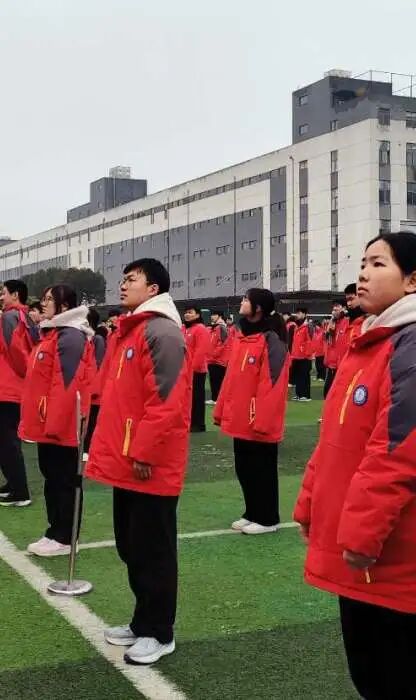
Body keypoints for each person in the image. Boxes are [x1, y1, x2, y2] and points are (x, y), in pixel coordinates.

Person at [294, 231, 416, 700]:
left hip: (392, 550)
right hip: (362, 544)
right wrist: (311, 502)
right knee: (369, 672)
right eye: (363, 262)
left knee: (392, 675)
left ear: (411, 281)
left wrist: (362, 534)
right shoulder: (369, 342)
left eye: (378, 264)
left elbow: (397, 452)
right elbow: (334, 439)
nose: (363, 273)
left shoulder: (407, 346)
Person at [85, 258, 192, 665]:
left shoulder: (162, 332)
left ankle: (160, 632)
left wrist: (146, 451)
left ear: (154, 289)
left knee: (154, 551)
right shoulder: (131, 330)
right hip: (128, 460)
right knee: (132, 546)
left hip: (149, 463)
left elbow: (167, 401)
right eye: (123, 278)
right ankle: (142, 620)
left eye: (132, 279)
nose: (123, 284)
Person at [19, 285, 93, 556]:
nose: (44, 303)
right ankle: (55, 530)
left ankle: (65, 536)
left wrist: (54, 425)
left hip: (61, 427)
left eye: (50, 299)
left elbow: (66, 384)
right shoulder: (52, 334)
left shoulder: (70, 336)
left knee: (64, 479)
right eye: (45, 298)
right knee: (53, 477)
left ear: (64, 306)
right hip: (48, 424)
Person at [214, 288, 289, 535]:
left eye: (246, 299)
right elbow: (231, 377)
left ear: (258, 307)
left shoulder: (272, 339)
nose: (242, 302)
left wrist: (263, 420)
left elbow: (273, 383)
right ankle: (252, 512)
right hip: (240, 416)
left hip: (258, 419)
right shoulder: (241, 334)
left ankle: (268, 518)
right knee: (244, 468)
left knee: (262, 470)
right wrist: (221, 409)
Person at [0, 279, 39, 507]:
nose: (1, 297)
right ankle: (13, 485)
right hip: (13, 387)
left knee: (7, 441)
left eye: (4, 293)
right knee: (7, 440)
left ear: (15, 295)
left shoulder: (10, 317)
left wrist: (23, 374)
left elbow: (15, 351)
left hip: (8, 388)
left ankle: (20, 491)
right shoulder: (24, 316)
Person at [83, 308, 107, 459]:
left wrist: (93, 385)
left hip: (95, 388)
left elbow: (98, 363)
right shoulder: (85, 337)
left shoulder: (97, 339)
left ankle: (88, 449)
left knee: (92, 420)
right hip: (87, 386)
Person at [182, 306, 210, 432]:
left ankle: (198, 424)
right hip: (184, 369)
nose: (187, 314)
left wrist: (192, 368)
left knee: (196, 397)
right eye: (186, 312)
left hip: (196, 371)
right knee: (186, 397)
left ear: (198, 315)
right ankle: (188, 421)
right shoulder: (184, 328)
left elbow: (201, 351)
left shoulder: (200, 329)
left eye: (190, 312)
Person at [323, 301, 349, 399]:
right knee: (327, 391)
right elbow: (327, 341)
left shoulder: (347, 322)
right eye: (333, 309)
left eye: (337, 308)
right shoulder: (332, 323)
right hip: (331, 364)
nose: (334, 311)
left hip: (342, 364)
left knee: (340, 393)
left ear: (344, 309)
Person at [291, 308, 314, 401]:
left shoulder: (308, 326)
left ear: (305, 314)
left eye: (299, 313)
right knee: (298, 376)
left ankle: (305, 395)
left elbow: (311, 340)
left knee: (304, 376)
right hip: (297, 355)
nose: (297, 315)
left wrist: (307, 353)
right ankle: (299, 394)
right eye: (297, 313)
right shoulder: (297, 326)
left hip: (305, 356)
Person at [207, 312, 228, 404]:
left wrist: (214, 354)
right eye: (212, 315)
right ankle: (214, 398)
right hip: (211, 360)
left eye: (214, 315)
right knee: (213, 379)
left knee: (219, 380)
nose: (212, 316)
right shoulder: (212, 328)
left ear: (219, 317)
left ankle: (219, 399)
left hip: (219, 360)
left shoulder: (222, 327)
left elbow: (224, 343)